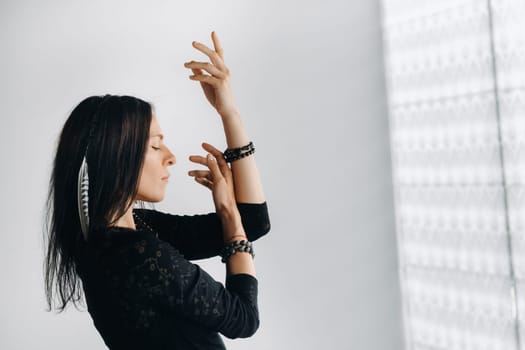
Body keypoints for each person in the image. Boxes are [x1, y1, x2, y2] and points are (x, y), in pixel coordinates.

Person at [43, 31, 271, 349]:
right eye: (155, 145)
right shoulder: (137, 255)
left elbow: (255, 222)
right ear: (118, 158)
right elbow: (244, 318)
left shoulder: (119, 236)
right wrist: (229, 215)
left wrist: (228, 113)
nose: (171, 158)